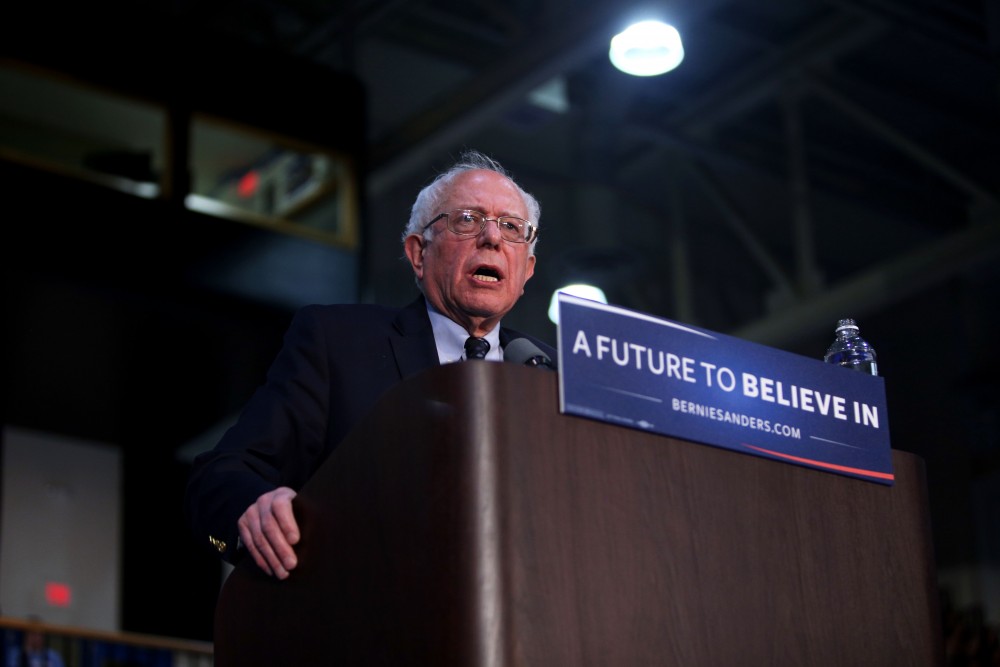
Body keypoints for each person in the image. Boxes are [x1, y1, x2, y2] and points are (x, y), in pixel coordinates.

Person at [184, 149, 556, 580]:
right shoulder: (339, 343)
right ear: (418, 253)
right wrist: (254, 513)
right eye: (468, 220)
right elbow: (219, 478)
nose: (491, 238)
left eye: (511, 228)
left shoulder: (549, 376)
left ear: (526, 271)